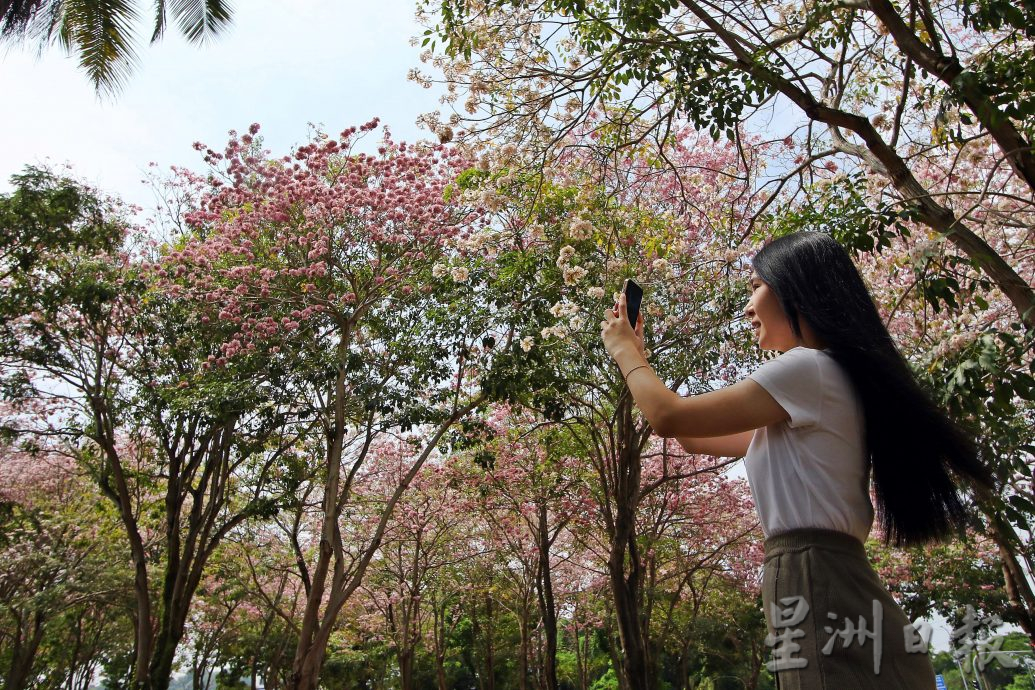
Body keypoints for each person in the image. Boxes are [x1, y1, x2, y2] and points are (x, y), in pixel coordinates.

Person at [600, 231, 992, 689]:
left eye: (755, 288)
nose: (748, 308)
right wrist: (639, 358)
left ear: (795, 288)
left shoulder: (810, 368)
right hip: (831, 574)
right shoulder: (824, 382)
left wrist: (624, 351)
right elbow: (691, 436)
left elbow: (668, 417)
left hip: (813, 573)